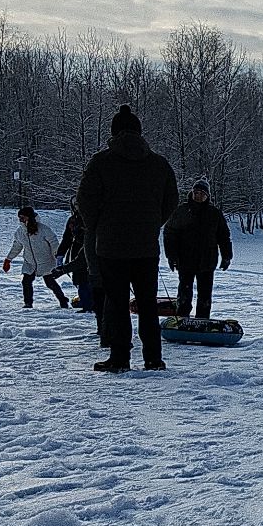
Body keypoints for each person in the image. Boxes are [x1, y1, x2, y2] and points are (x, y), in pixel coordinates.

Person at [76, 104, 178, 373]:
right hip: (145, 246)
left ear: (114, 132)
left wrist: (97, 226)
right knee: (147, 303)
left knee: (117, 303)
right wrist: (153, 223)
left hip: (111, 247)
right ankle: (153, 358)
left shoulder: (100, 163)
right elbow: (172, 200)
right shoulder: (159, 164)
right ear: (139, 132)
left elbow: (84, 200)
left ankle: (120, 358)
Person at [163, 179, 233, 319]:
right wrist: (171, 256)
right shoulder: (182, 211)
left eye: (201, 193)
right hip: (185, 260)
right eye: (196, 192)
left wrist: (227, 256)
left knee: (205, 295)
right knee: (184, 292)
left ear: (207, 195)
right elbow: (170, 234)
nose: (198, 195)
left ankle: (202, 320)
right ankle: (182, 318)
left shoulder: (214, 213)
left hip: (207, 261)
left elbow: (224, 236)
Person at [3, 206, 69, 308]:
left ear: (29, 217)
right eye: (19, 217)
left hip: (46, 261)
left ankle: (63, 300)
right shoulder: (20, 232)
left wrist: (57, 256)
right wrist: (8, 259)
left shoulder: (43, 229)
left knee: (50, 282)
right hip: (29, 262)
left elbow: (54, 242)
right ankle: (28, 303)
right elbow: (17, 246)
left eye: (23, 217)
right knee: (26, 282)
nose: (21, 219)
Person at [53, 204, 93, 312]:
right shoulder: (73, 220)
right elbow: (67, 239)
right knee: (80, 279)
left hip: (93, 248)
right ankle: (87, 303)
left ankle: (91, 304)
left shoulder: (93, 216)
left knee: (90, 278)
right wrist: (60, 254)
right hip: (77, 251)